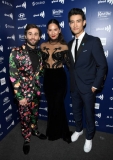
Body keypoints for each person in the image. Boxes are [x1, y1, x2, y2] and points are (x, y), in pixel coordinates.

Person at [68, 8, 107, 152]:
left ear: (84, 22)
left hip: (88, 87)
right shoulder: (70, 44)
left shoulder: (93, 41)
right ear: (69, 24)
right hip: (74, 86)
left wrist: (96, 85)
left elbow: (102, 65)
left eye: (78, 21)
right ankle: (78, 130)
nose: (75, 25)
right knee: (76, 111)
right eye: (72, 22)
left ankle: (89, 137)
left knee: (89, 114)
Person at [9, 24, 47, 155]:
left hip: (36, 92)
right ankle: (26, 137)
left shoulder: (39, 53)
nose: (33, 36)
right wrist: (20, 97)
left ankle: (35, 131)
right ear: (25, 35)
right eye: (30, 33)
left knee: (34, 115)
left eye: (36, 34)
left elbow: (39, 73)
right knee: (24, 117)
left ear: (39, 36)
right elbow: (13, 76)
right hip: (23, 94)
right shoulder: (16, 51)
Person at [40, 19, 71, 143]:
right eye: (50, 30)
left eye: (55, 29)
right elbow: (40, 64)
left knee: (58, 104)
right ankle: (52, 132)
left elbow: (70, 65)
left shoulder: (64, 46)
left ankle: (64, 132)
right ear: (47, 31)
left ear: (59, 30)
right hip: (48, 77)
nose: (53, 32)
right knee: (51, 105)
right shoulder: (42, 46)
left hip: (59, 78)